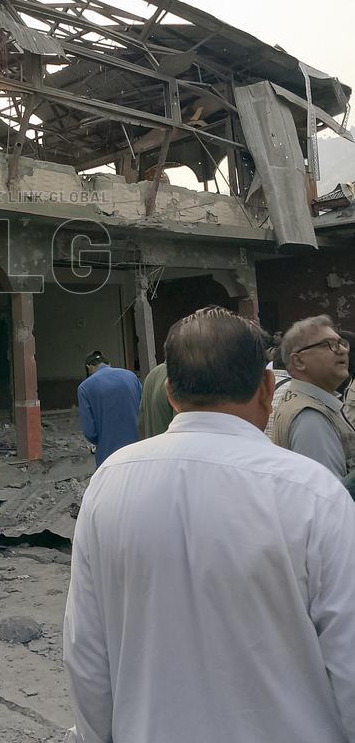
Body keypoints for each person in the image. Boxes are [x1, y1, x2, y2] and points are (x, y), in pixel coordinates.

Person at [64, 307, 355, 743]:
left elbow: (86, 650)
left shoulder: (110, 482)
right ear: (266, 386)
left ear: (171, 392)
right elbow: (348, 657)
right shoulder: (312, 493)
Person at [271, 315, 354, 478]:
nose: (343, 350)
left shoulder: (310, 403)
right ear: (299, 361)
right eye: (329, 344)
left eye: (342, 343)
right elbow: (327, 496)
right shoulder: (311, 417)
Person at [77, 351, 140, 466]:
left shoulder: (85, 387)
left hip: (109, 456)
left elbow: (90, 432)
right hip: (137, 450)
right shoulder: (131, 376)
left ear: (89, 367)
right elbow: (143, 409)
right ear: (109, 363)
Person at [137, 361, 172, 438]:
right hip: (173, 447)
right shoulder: (179, 378)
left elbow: (141, 425)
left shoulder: (151, 375)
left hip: (152, 446)